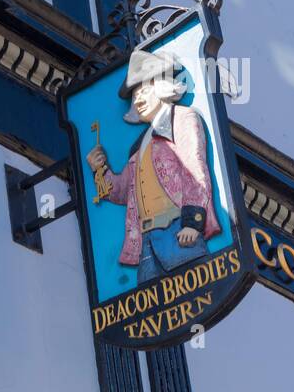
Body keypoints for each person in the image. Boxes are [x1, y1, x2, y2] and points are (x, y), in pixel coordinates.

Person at [85, 48, 220, 283]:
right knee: (155, 309)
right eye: (135, 96)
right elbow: (122, 190)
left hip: (178, 231)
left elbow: (195, 170)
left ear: (162, 86)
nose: (137, 99)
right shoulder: (139, 144)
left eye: (144, 90)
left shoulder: (183, 119)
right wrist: (100, 170)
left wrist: (192, 223)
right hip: (146, 243)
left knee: (198, 294)